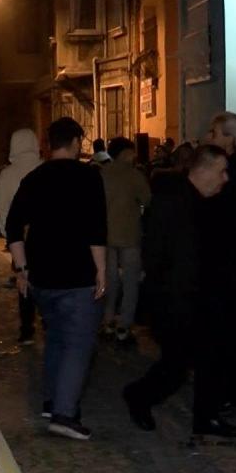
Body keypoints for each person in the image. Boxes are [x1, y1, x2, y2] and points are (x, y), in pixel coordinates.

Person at [123, 145, 236, 437]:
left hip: (207, 298)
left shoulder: (213, 203)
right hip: (174, 300)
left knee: (210, 360)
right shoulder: (170, 201)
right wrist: (166, 295)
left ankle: (207, 419)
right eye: (221, 171)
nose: (225, 179)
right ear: (203, 171)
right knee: (176, 366)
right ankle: (139, 395)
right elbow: (154, 255)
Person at [6, 117, 108, 441]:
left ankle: (52, 401)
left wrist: (22, 270)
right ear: (77, 143)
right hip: (77, 275)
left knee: (57, 339)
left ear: (49, 144)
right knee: (77, 344)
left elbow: (13, 228)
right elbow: (96, 229)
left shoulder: (34, 178)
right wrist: (102, 270)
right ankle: (64, 414)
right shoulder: (89, 177)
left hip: (42, 276)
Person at [100, 136, 152, 342]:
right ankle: (124, 325)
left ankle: (108, 319)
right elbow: (147, 199)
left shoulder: (102, 174)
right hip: (129, 234)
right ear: (125, 153)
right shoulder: (134, 175)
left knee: (109, 280)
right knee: (130, 281)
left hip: (106, 235)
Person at [0, 128, 42, 344]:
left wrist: (8, 235)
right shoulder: (43, 168)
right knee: (45, 277)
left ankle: (27, 328)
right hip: (44, 236)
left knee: (23, 280)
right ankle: (48, 321)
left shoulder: (6, 174)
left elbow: (2, 208)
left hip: (18, 238)